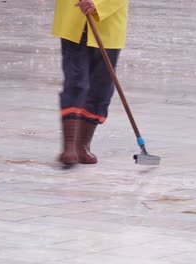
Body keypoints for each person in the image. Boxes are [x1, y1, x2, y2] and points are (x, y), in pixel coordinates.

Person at [52, 0, 129, 166]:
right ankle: (69, 147)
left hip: (108, 24)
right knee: (76, 82)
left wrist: (97, 4)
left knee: (101, 88)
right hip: (73, 21)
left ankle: (82, 146)